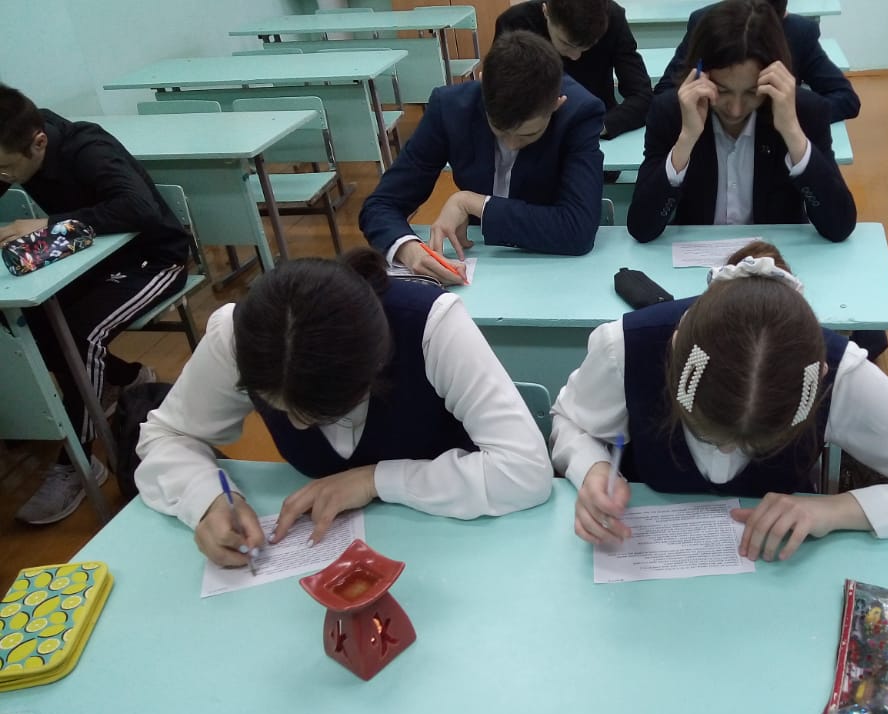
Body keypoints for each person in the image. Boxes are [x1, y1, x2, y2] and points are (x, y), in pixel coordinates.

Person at [550, 241, 888, 561]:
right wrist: (591, 468)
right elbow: (570, 421)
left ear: (818, 382)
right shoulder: (625, 347)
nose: (728, 454)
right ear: (673, 353)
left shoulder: (840, 374)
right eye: (707, 434)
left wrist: (836, 510)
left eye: (753, 444)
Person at [135, 249, 552, 568]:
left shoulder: (430, 325)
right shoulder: (239, 335)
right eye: (279, 409)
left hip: (462, 542)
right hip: (334, 556)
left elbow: (525, 471)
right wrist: (206, 498)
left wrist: (375, 480)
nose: (298, 427)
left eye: (320, 415)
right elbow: (168, 435)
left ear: (374, 371)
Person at [0, 83, 189, 525]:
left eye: (6, 168)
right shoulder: (13, 146)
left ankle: (78, 463)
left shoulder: (87, 148)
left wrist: (48, 223)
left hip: (154, 259)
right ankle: (124, 378)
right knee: (27, 323)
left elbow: (139, 208)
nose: (2, 177)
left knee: (81, 336)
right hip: (90, 260)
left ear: (38, 143)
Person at [359, 30, 605, 284]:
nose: (511, 144)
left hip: (552, 270)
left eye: (528, 134)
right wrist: (409, 250)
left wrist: (472, 202)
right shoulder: (450, 108)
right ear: (482, 82)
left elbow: (578, 229)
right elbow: (380, 205)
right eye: (499, 129)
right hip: (479, 260)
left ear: (557, 103)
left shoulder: (579, 114)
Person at [627, 0, 856, 245]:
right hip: (696, 257)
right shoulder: (672, 112)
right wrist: (686, 140)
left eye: (751, 92)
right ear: (700, 74)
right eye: (722, 91)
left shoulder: (804, 112)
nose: (735, 109)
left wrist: (792, 131)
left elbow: (839, 227)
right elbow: (641, 228)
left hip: (776, 257)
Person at [653, 0, 860, 122]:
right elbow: (663, 94)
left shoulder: (798, 32)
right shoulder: (706, 24)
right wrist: (697, 104)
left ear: (781, 19)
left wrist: (786, 112)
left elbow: (846, 99)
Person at [495, 0, 652, 140]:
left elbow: (642, 96)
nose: (575, 56)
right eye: (566, 43)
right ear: (546, 11)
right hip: (535, 138)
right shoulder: (515, 23)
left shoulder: (613, 18)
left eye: (588, 45)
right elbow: (502, 101)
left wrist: (601, 125)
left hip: (596, 133)